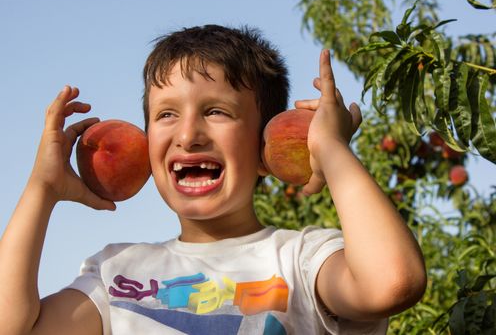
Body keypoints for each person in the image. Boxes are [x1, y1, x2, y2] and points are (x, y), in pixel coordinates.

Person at [0, 25, 426, 335]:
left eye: (216, 111)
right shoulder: (117, 273)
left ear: (265, 152)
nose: (188, 135)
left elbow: (393, 283)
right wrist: (42, 190)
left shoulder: (301, 261)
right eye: (166, 114)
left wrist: (331, 151)